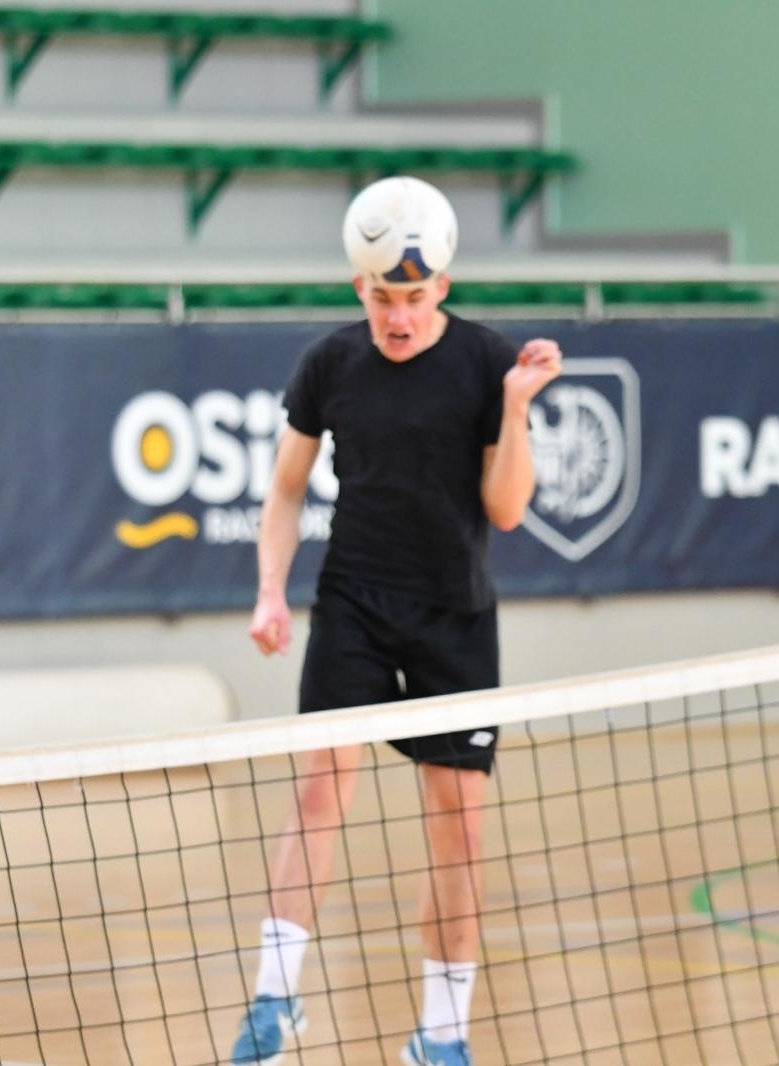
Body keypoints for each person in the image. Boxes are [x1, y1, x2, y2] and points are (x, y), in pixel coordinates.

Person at [232, 177, 561, 1066]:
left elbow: (504, 509)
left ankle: (442, 1035)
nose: (399, 318)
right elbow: (287, 487)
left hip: (455, 617)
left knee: (457, 826)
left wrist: (519, 407)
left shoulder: (490, 363)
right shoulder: (330, 365)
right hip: (355, 607)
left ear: (441, 290)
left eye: (414, 299)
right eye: (383, 299)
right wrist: (271, 590)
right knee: (318, 789)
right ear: (360, 291)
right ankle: (274, 1000)